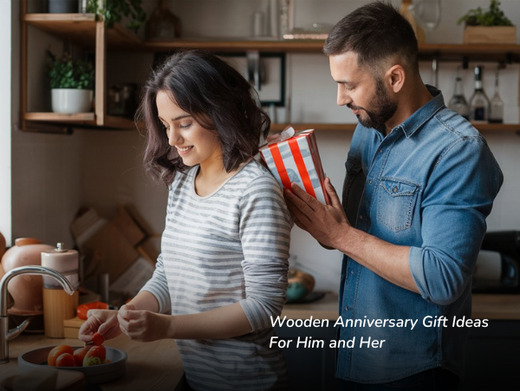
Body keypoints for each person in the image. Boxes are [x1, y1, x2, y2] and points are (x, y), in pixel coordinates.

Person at [283, 2, 503, 390]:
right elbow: (355, 233)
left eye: (349, 85)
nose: (340, 98)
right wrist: (310, 203)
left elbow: (442, 277)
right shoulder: (368, 128)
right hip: (354, 353)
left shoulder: (458, 150)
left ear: (395, 78)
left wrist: (341, 236)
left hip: (414, 371)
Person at [79, 49, 292, 391]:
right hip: (199, 379)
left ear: (221, 111)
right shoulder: (182, 182)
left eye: (184, 123)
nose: (172, 140)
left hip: (249, 383)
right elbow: (168, 273)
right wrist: (125, 315)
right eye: (165, 126)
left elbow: (263, 308)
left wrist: (167, 326)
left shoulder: (256, 190)